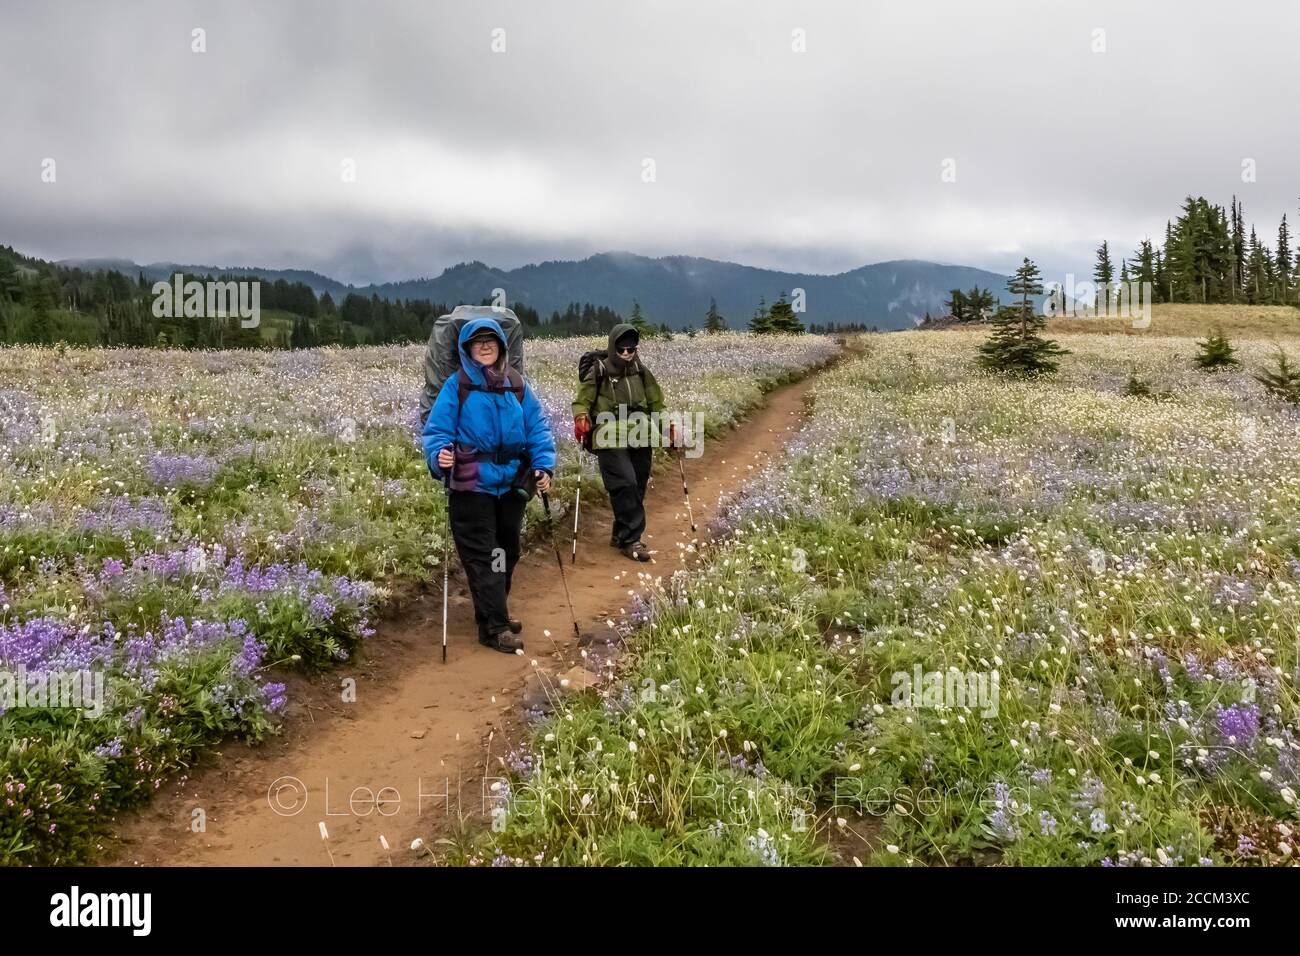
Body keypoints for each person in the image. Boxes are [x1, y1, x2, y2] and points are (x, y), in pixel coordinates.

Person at [422, 317, 556, 653]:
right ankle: (495, 627)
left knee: (506, 552)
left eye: (490, 340)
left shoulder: (516, 384)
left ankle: (491, 612)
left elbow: (537, 428)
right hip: (472, 485)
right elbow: (437, 432)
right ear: (467, 349)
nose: (484, 346)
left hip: (511, 483)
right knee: (483, 557)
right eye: (477, 341)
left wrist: (543, 466)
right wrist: (440, 456)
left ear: (500, 346)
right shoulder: (457, 386)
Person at [571, 323, 675, 562]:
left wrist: (667, 427)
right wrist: (581, 418)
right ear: (613, 347)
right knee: (625, 483)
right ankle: (631, 541)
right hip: (608, 434)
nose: (627, 353)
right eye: (622, 349)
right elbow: (581, 401)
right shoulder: (599, 370)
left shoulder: (641, 371)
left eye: (631, 349)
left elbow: (656, 403)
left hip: (641, 433)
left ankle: (620, 533)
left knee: (637, 485)